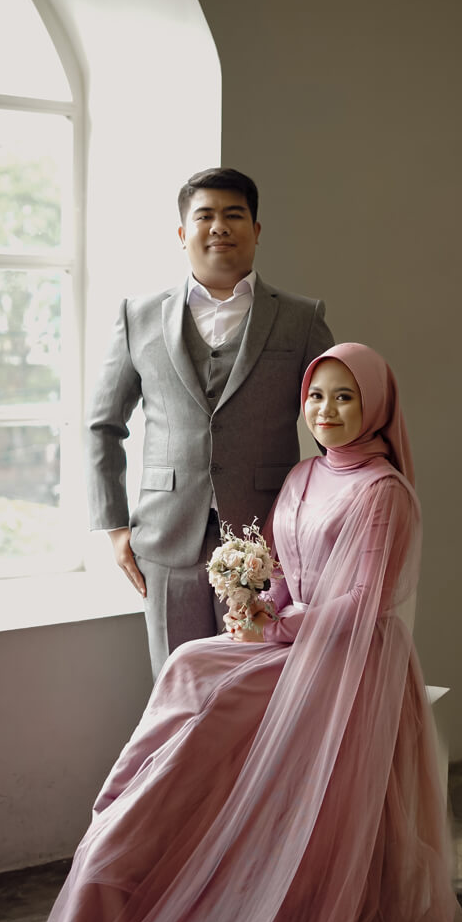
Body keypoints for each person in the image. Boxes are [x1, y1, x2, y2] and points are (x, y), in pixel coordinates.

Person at [0, 344, 462, 922]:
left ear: (376, 406)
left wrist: (278, 625)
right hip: (293, 640)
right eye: (316, 396)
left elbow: (361, 603)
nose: (326, 411)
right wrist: (255, 604)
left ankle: (175, 829)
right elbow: (282, 572)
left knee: (209, 686)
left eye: (345, 397)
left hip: (346, 662)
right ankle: (135, 812)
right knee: (193, 662)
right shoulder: (304, 476)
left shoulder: (383, 493)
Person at [87, 166, 333, 677]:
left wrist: (324, 523)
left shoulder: (301, 318)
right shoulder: (138, 316)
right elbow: (103, 425)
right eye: (205, 216)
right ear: (183, 234)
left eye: (233, 214)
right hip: (164, 538)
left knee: (256, 689)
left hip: (268, 541)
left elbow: (333, 428)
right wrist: (115, 528)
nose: (219, 226)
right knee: (176, 687)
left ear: (256, 231)